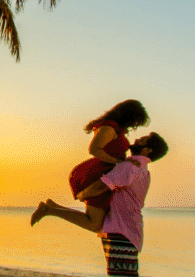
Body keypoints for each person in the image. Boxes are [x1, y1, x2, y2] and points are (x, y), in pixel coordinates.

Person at [35, 132, 170, 277]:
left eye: (143, 139)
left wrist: (82, 194)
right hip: (123, 226)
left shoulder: (129, 167)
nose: (137, 139)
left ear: (147, 149)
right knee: (126, 276)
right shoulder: (139, 167)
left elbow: (101, 185)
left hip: (122, 228)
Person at [30, 99, 149, 232]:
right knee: (94, 223)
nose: (134, 125)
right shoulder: (109, 127)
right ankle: (49, 210)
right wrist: (119, 162)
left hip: (104, 172)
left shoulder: (115, 128)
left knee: (96, 220)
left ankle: (52, 207)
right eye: (135, 121)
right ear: (128, 116)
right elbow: (94, 150)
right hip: (96, 173)